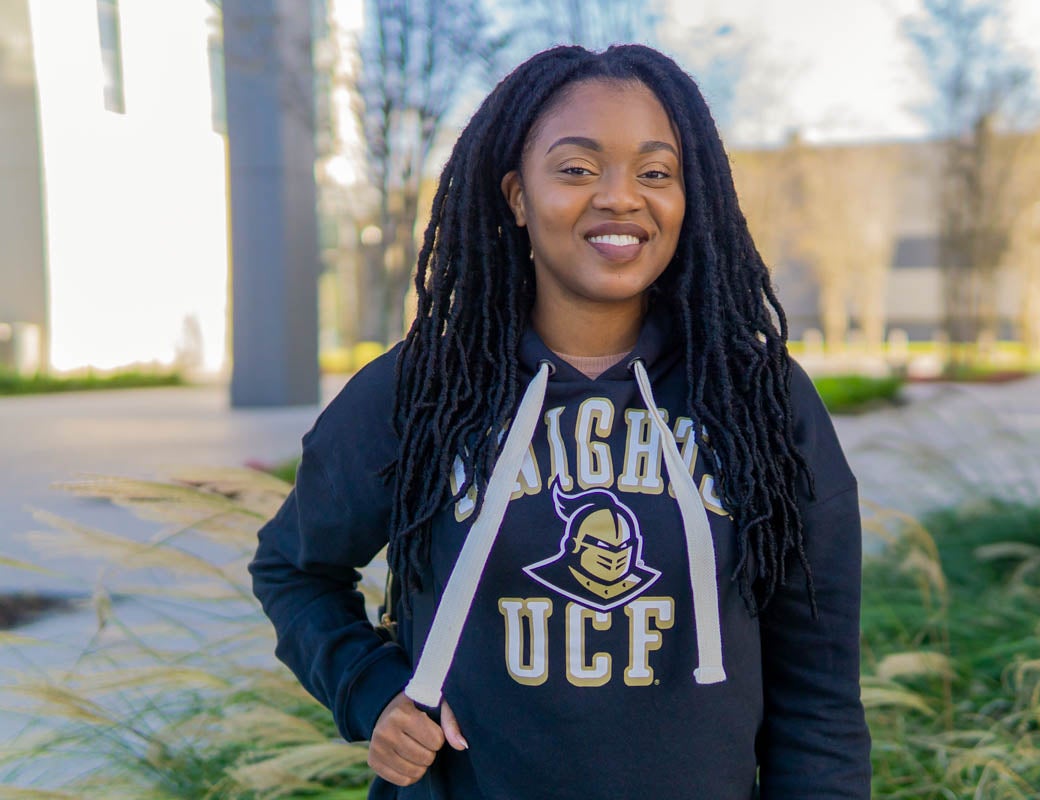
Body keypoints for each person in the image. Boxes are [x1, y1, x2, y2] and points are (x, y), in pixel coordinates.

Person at [249, 44, 870, 799]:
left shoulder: (759, 403)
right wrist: (368, 687)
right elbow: (294, 569)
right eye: (577, 169)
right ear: (516, 196)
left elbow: (820, 701)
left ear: (688, 196)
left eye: (654, 172)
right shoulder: (424, 392)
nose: (620, 198)